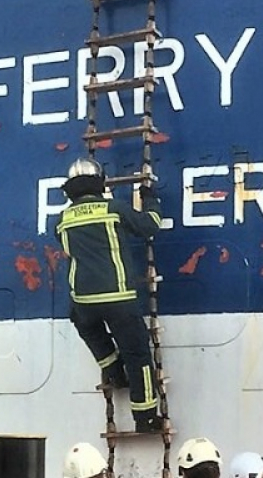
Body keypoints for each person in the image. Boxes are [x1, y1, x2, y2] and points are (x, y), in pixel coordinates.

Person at [55, 157, 164, 432]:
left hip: (82, 301)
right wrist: (150, 199)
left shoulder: (63, 219)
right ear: (99, 182)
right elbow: (149, 225)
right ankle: (146, 417)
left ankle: (114, 372)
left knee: (92, 333)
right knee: (138, 355)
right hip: (118, 298)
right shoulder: (112, 209)